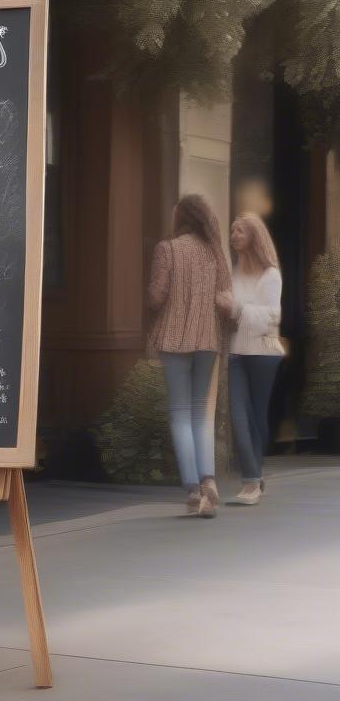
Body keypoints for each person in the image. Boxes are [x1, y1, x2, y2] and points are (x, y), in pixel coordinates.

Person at [148, 194, 231, 518]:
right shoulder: (215, 254)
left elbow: (156, 297)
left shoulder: (167, 249)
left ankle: (194, 489)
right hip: (208, 339)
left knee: (180, 414)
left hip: (173, 339)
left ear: (181, 217)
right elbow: (226, 298)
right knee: (200, 413)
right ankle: (209, 479)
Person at [219, 213, 284, 506]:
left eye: (239, 231)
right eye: (232, 231)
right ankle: (250, 480)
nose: (233, 235)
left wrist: (235, 309)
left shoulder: (270, 275)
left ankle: (255, 474)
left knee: (257, 419)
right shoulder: (234, 272)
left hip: (263, 354)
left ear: (254, 237)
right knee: (238, 416)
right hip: (236, 353)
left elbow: (272, 318)